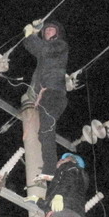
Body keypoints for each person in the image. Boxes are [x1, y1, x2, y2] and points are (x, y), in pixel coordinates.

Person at [23, 19, 69, 182]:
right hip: (45, 96)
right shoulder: (44, 52)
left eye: (51, 29)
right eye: (46, 30)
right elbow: (32, 47)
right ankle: (49, 170)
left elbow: (43, 49)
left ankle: (50, 170)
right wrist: (32, 35)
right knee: (44, 132)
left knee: (46, 131)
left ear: (57, 33)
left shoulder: (60, 45)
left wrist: (32, 35)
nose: (48, 31)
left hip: (53, 94)